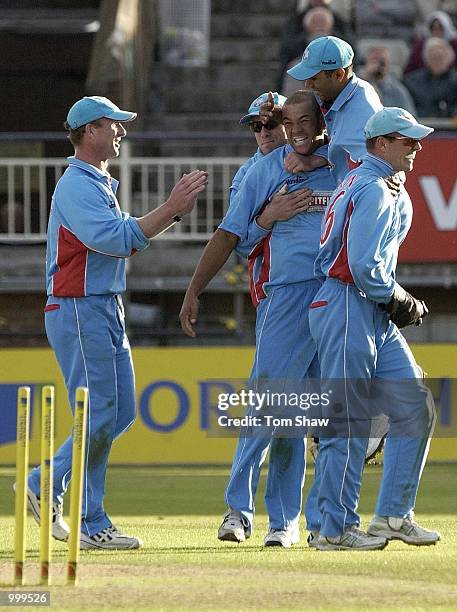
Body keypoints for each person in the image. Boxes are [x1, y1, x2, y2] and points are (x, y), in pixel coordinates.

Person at [25, 96, 208, 550]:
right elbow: (113, 239)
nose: (121, 132)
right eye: (113, 125)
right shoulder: (76, 184)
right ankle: (66, 499)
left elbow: (118, 237)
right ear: (89, 131)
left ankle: (70, 501)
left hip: (99, 306)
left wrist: (169, 211)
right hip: (80, 307)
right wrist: (171, 209)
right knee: (103, 413)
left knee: (119, 412)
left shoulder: (94, 181)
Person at [181, 91, 335, 547]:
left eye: (275, 125)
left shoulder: (339, 160)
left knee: (308, 416)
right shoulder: (258, 172)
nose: (268, 134)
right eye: (261, 127)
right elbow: (233, 235)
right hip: (281, 295)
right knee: (271, 403)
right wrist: (266, 219)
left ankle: (300, 521)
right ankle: (240, 511)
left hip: (334, 295)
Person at [309, 107, 440, 550]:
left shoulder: (371, 183)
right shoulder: (374, 189)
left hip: (361, 306)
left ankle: (392, 516)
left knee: (415, 404)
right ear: (380, 144)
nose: (417, 146)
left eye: (416, 139)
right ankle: (333, 529)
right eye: (408, 140)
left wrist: (389, 298)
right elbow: (364, 266)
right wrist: (397, 297)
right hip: (350, 302)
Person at [285, 36, 383, 184]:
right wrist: (320, 158)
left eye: (314, 78)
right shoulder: (332, 92)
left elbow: (377, 172)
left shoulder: (363, 113)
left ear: (338, 75)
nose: (307, 85)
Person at [403, 37, 457, 116]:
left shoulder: (455, 81)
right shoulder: (411, 82)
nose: (437, 61)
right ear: (426, 59)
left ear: (449, 59)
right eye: (433, 57)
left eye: (440, 57)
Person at [359, 45, 417, 114]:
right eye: (374, 61)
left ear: (388, 64)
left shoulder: (397, 90)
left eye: (382, 62)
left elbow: (410, 117)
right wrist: (365, 78)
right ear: (366, 62)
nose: (378, 66)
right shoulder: (356, 86)